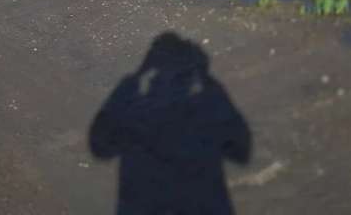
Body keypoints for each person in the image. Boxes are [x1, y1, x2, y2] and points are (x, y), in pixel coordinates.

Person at [89, 32, 251, 214]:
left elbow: (100, 147)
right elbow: (241, 151)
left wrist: (130, 83)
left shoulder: (134, 108)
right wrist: (212, 87)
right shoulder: (207, 106)